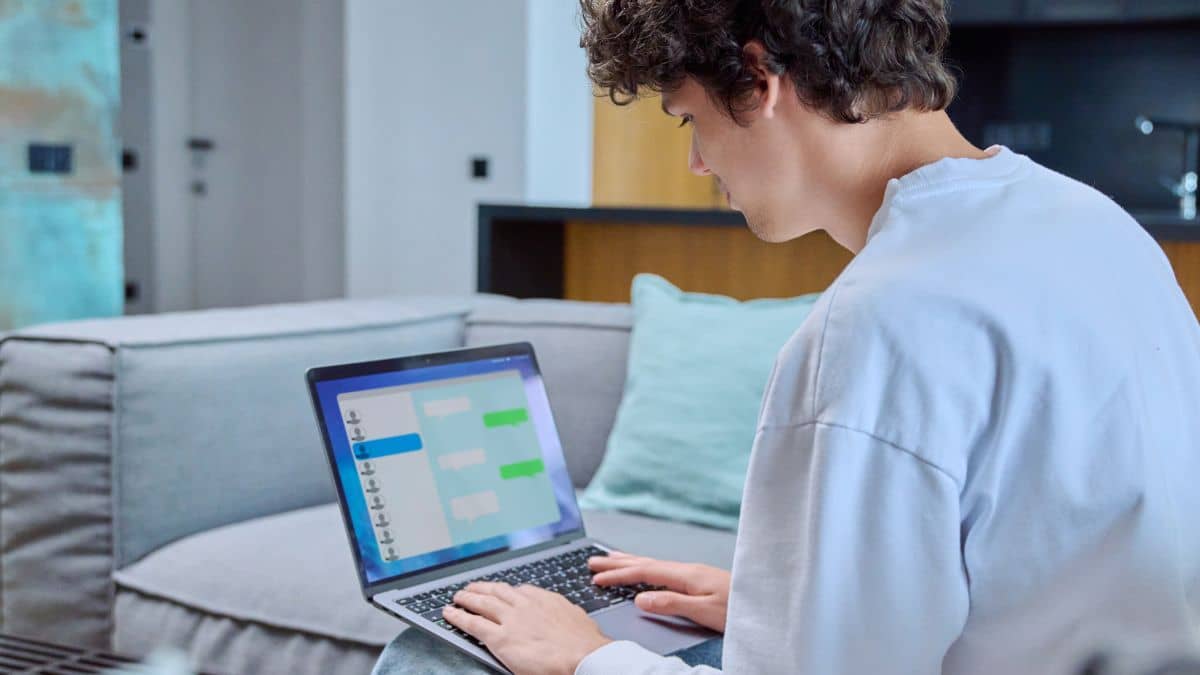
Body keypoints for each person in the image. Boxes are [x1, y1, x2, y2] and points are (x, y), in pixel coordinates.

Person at [374, 1, 1200, 673]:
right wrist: (783, 599)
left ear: (760, 81)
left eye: (688, 117)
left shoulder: (878, 322)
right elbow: (1034, 563)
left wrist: (586, 658)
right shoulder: (1096, 226)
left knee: (425, 658)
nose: (699, 163)